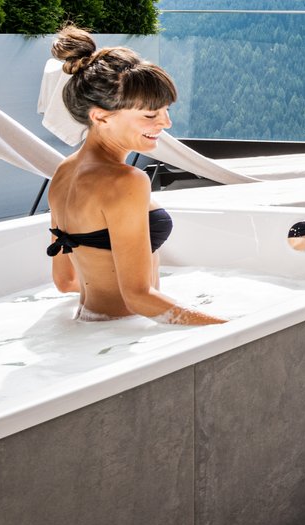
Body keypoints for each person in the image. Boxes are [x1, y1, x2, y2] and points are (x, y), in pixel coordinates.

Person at [46, 25, 223, 325]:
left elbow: (64, 280)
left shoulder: (64, 172)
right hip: (125, 331)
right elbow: (138, 297)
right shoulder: (126, 181)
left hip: (90, 325)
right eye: (151, 115)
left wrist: (107, 289)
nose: (165, 122)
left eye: (165, 110)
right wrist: (230, 328)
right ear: (100, 116)